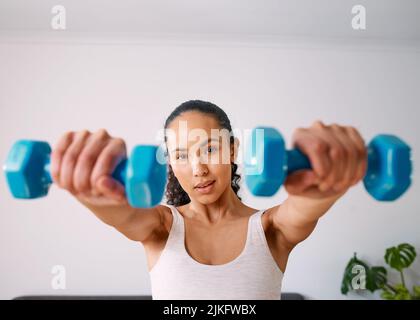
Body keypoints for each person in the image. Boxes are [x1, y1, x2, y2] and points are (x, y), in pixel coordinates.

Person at [50, 100, 367, 299]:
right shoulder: (161, 227)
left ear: (232, 150)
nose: (198, 168)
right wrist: (93, 190)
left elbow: (303, 208)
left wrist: (326, 181)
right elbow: (121, 213)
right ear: (171, 163)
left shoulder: (271, 229)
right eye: (182, 155)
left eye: (210, 149)